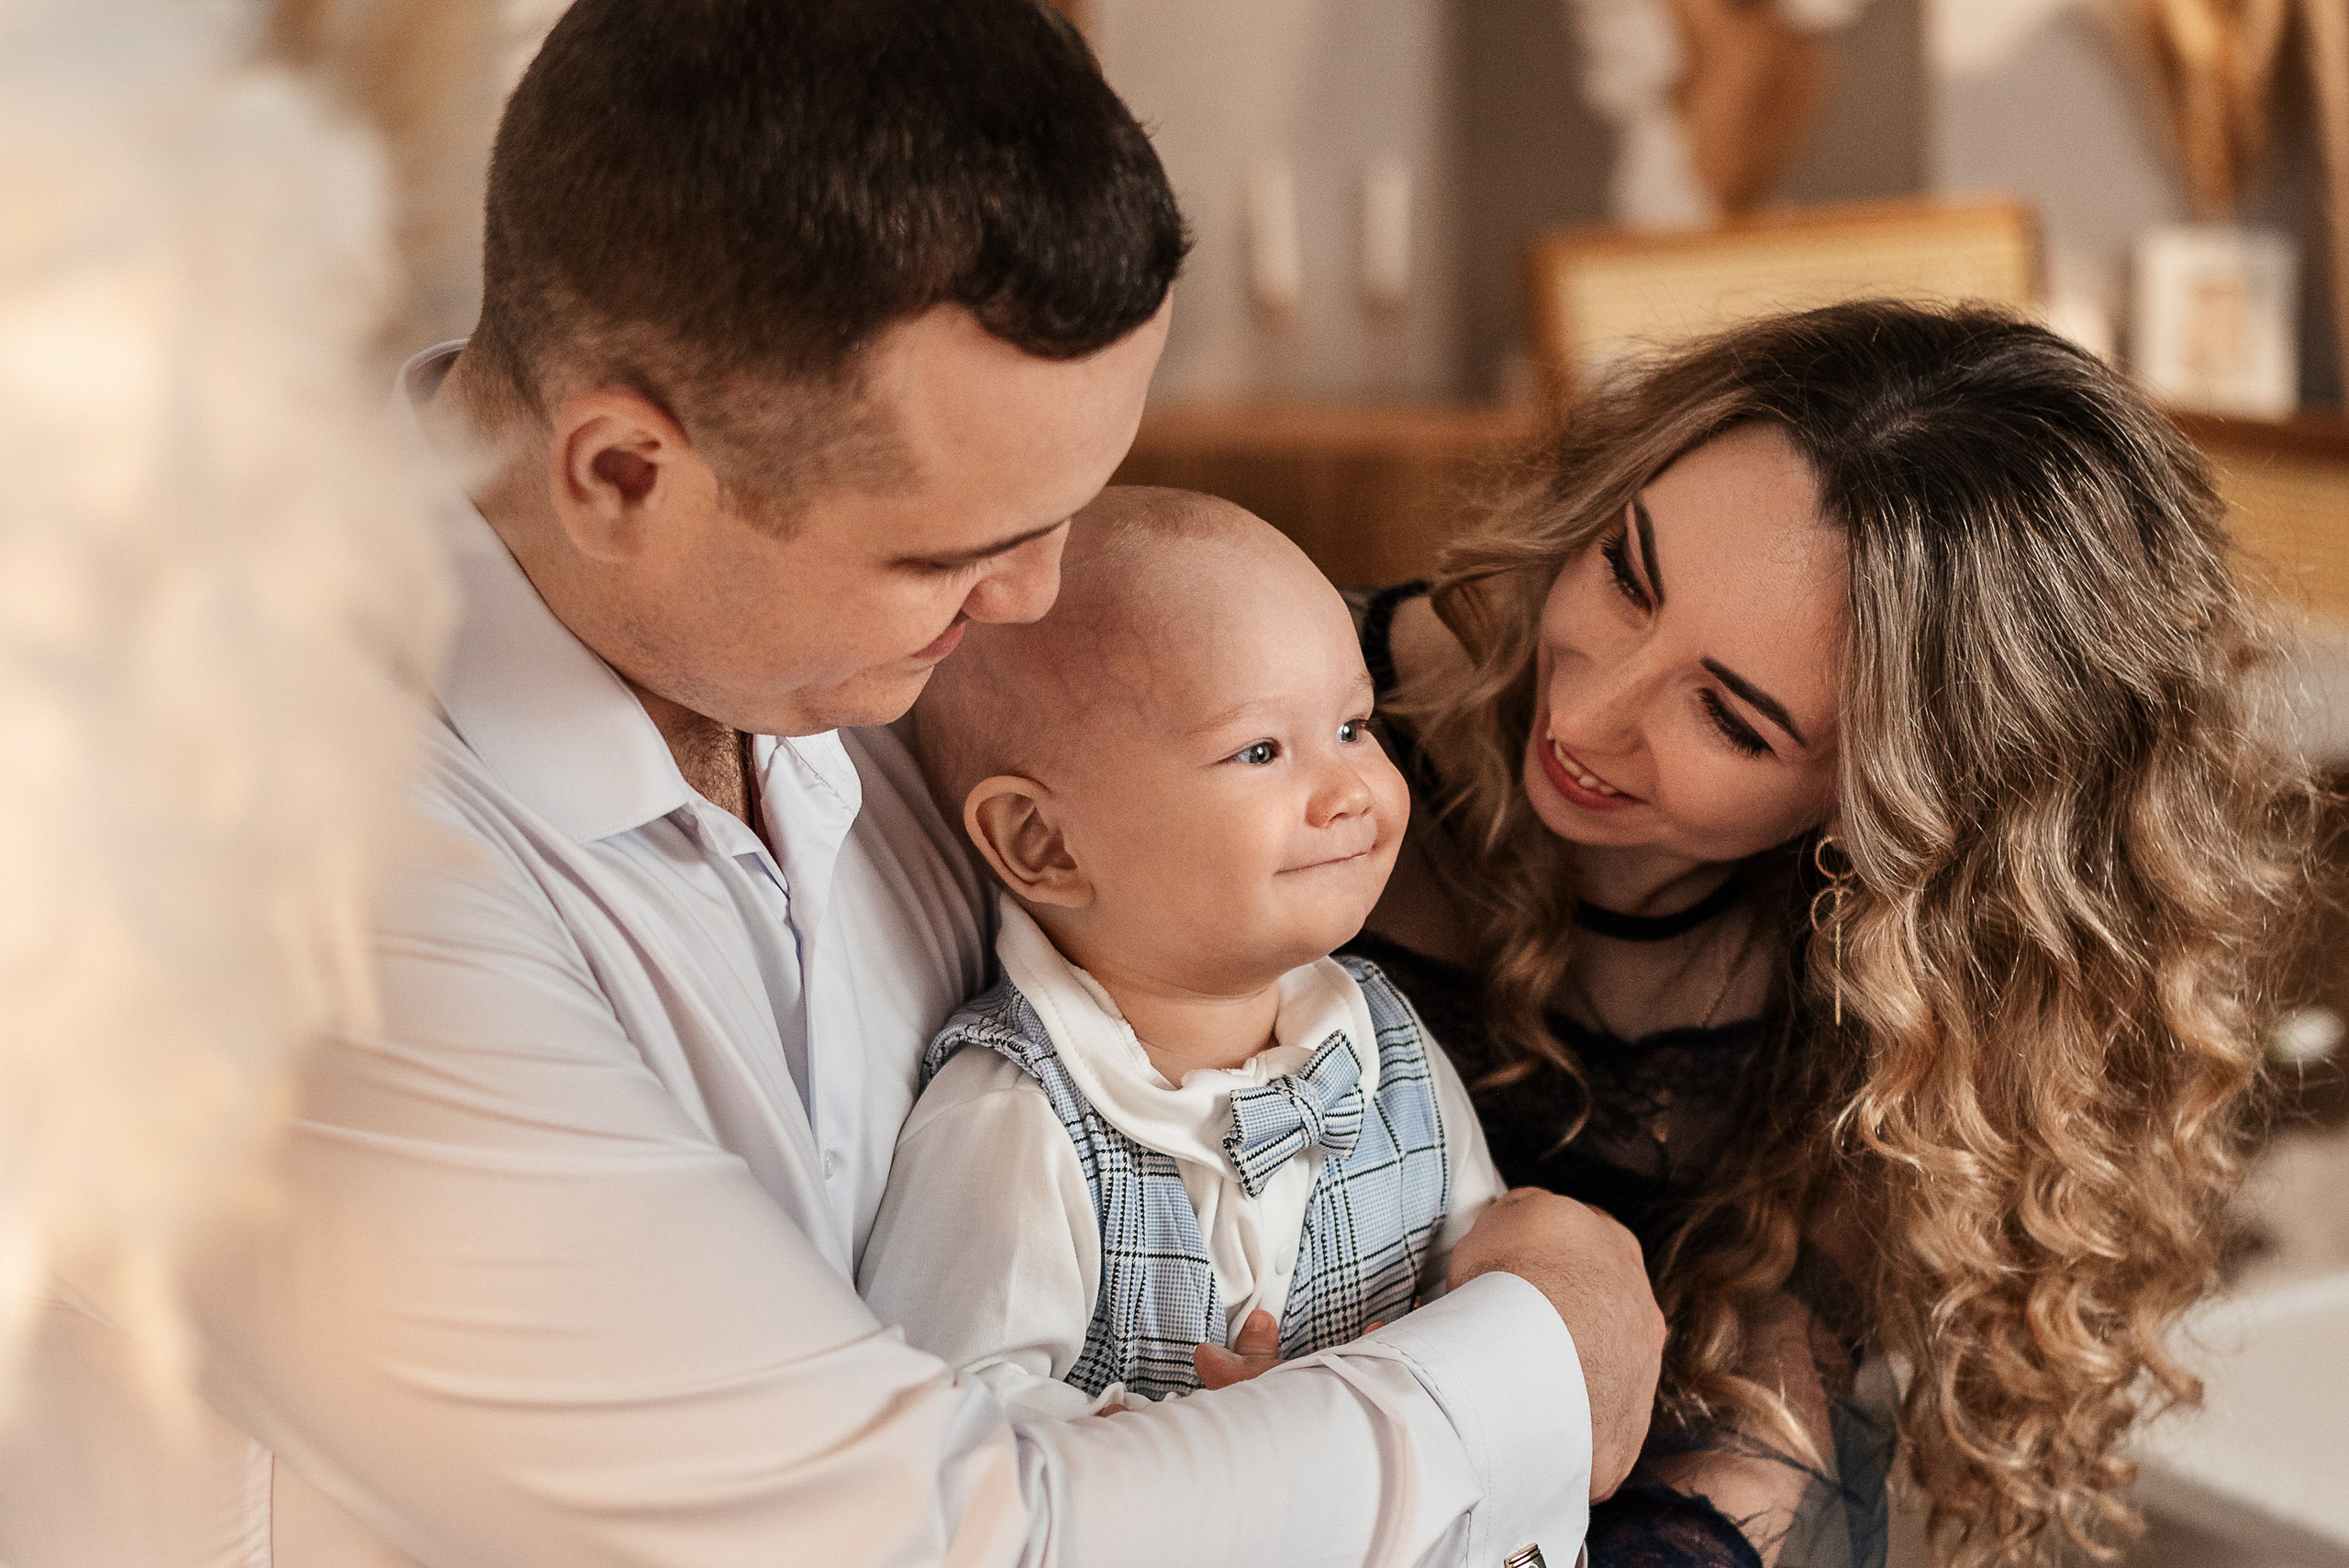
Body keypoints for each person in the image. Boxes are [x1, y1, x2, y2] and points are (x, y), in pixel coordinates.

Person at [6, 4, 1666, 1565]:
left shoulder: (830, 655)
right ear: (624, 472)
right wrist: (1541, 1348)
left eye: (1064, 511)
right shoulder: (276, 877)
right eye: (959, 549)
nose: (1032, 600)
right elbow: (930, 1531)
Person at [1344, 299, 2317, 1568]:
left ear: (1897, 808)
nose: (1589, 711)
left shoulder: (1901, 971)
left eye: (1734, 720)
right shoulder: (1278, 714)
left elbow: (1760, 1431)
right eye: (1627, 575)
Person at [861, 488, 1508, 1419]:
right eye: (1258, 750)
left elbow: (1491, 1302)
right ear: (1043, 842)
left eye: (1351, 728)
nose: (1347, 791)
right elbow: (955, 1447)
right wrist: (1226, 1443)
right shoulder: (1015, 1123)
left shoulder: (1385, 1047)